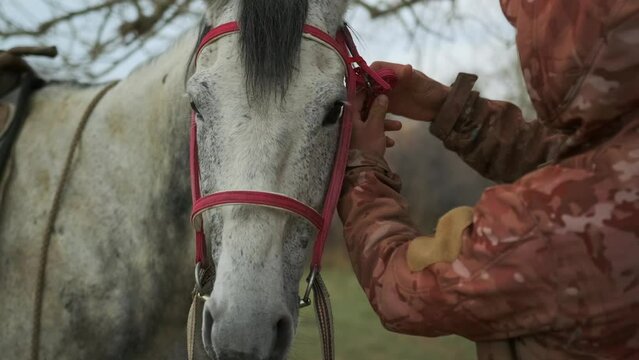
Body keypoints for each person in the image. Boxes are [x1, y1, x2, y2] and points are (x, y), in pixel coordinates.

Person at [338, 1, 639, 359]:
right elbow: (571, 158)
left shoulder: (543, 227)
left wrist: (363, 168)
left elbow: (400, 287)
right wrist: (447, 109)